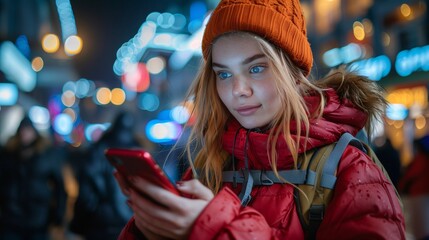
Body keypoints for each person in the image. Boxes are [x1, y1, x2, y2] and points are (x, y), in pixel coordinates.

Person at [115, 0, 406, 239]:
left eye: (256, 69)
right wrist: (150, 227)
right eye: (224, 74)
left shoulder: (348, 166)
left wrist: (218, 229)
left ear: (293, 71)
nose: (238, 91)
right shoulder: (212, 162)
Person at [69, 111, 144, 240]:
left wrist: (78, 225)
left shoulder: (98, 150)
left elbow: (86, 194)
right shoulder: (139, 154)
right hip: (131, 224)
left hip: (99, 223)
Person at [0, 116, 67, 240]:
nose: (25, 134)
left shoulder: (46, 156)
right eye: (22, 130)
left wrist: (58, 216)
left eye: (28, 130)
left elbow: (59, 188)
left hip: (38, 219)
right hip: (11, 218)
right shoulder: (8, 154)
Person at [398, 135, 429, 240]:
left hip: (417, 196)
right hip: (421, 195)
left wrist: (401, 188)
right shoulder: (423, 160)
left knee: (419, 228)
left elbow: (410, 177)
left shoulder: (421, 160)